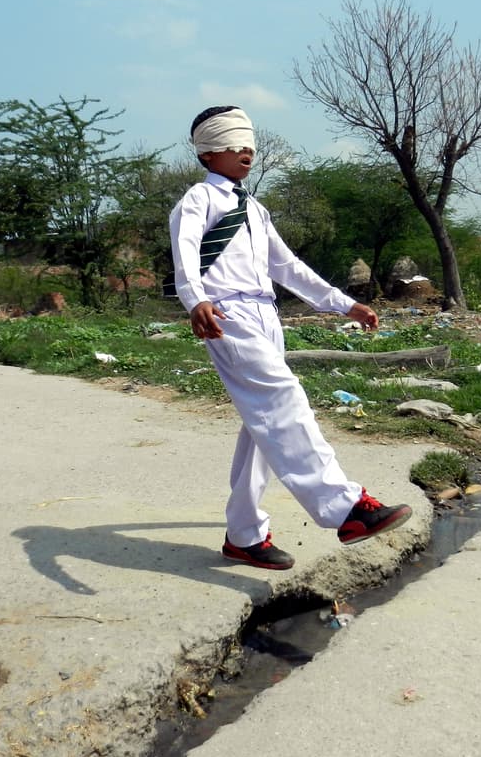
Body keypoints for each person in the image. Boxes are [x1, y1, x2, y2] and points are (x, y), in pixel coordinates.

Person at [169, 105, 413, 570]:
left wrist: (344, 303)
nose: (245, 150)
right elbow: (183, 255)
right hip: (227, 313)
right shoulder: (198, 201)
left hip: (266, 313)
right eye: (231, 142)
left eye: (248, 142)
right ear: (206, 154)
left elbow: (287, 268)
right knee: (283, 401)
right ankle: (346, 507)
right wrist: (195, 299)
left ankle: (243, 535)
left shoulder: (255, 210)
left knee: (263, 428)